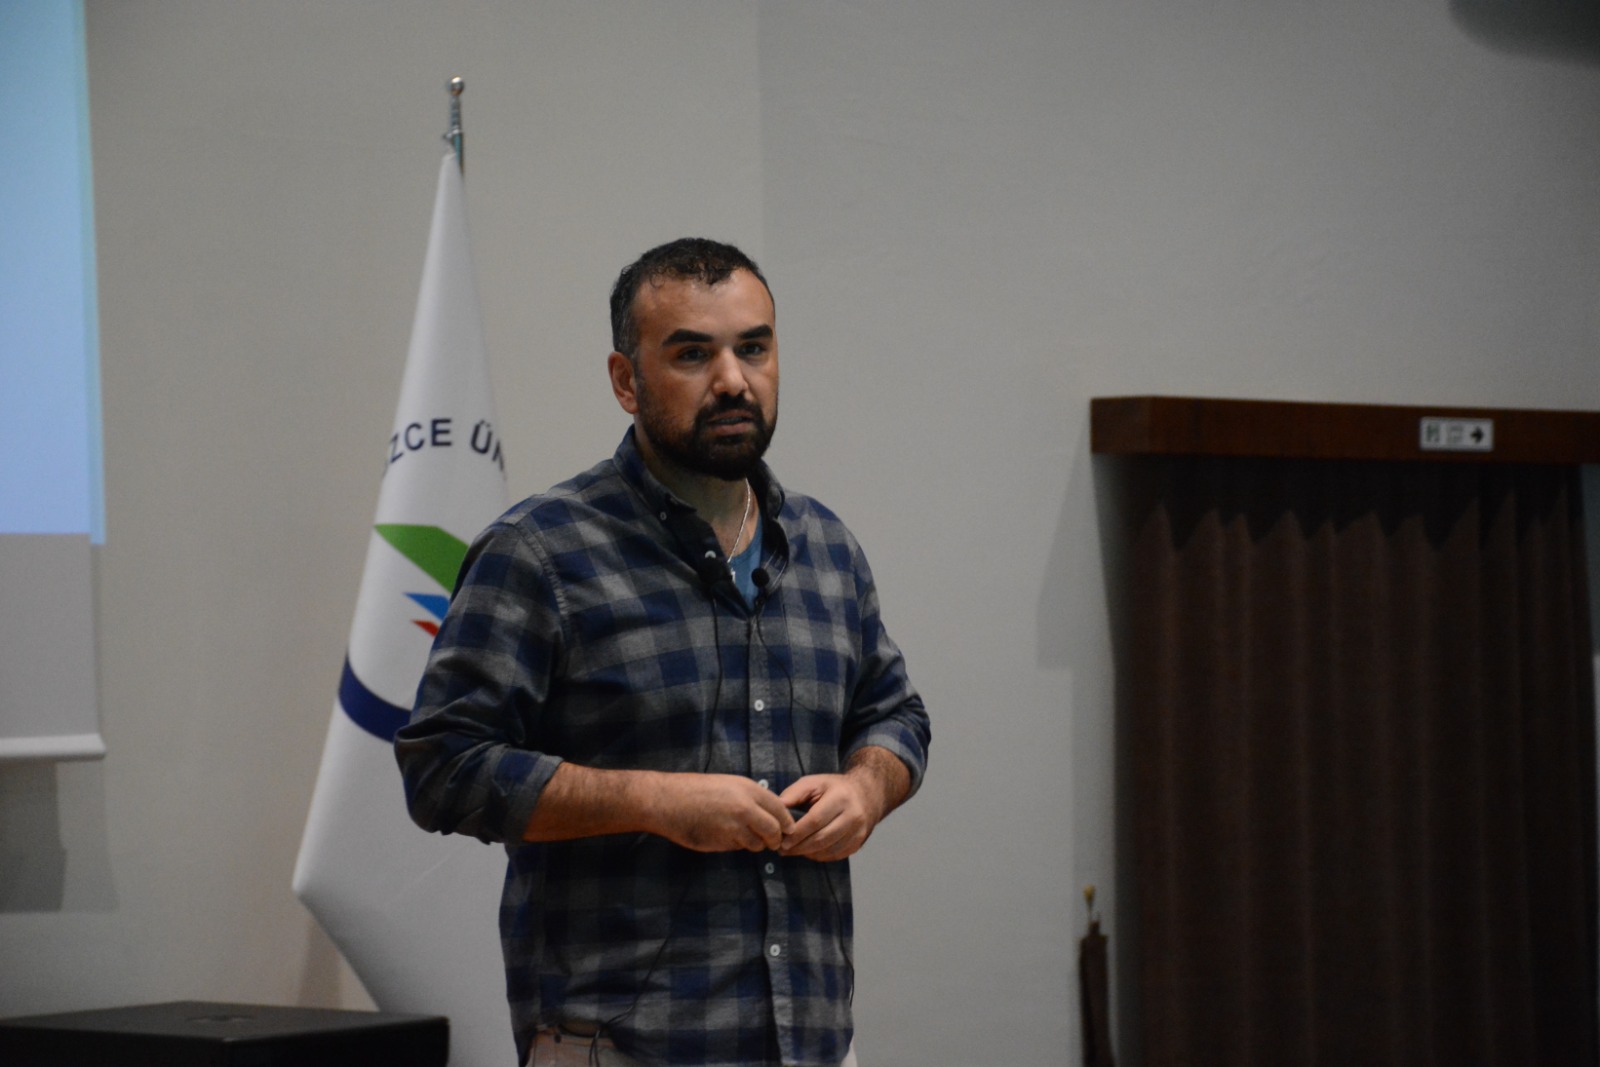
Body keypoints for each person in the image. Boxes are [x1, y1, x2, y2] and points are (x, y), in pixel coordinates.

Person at [395, 237, 931, 1067]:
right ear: (625, 380)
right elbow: (443, 766)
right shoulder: (540, 552)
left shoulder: (825, 547)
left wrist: (868, 785)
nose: (733, 380)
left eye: (754, 347)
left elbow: (895, 714)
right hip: (622, 1046)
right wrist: (652, 800)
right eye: (692, 354)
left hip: (812, 1044)